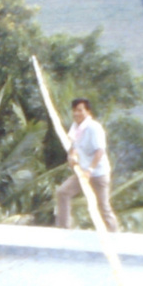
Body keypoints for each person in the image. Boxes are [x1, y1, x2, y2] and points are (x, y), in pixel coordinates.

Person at [55, 97, 116, 230]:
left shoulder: (94, 128)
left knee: (102, 206)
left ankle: (114, 236)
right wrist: (71, 156)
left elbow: (100, 151)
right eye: (74, 111)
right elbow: (73, 146)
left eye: (80, 110)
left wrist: (90, 170)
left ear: (88, 112)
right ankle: (63, 228)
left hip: (98, 174)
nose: (76, 113)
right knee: (63, 192)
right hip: (82, 172)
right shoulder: (76, 127)